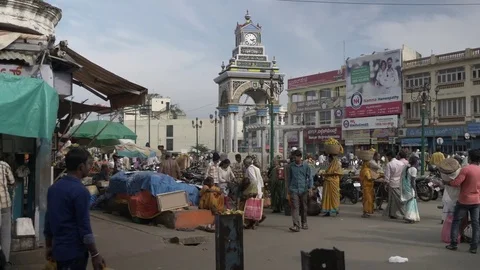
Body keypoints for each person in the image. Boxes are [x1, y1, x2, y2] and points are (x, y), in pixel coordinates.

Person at [44, 148, 105, 270]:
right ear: (81, 167)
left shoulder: (53, 188)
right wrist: (95, 254)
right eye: (89, 164)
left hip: (58, 251)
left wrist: (49, 246)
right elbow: (84, 227)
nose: (90, 167)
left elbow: (48, 220)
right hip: (74, 252)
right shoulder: (81, 191)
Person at [446, 149, 480, 254]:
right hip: (476, 201)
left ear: (469, 158)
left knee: (456, 221)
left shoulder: (466, 169)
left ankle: (453, 244)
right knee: (476, 224)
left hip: (464, 201)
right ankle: (474, 247)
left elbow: (456, 183)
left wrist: (447, 182)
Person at [287, 150, 312, 232]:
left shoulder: (306, 166)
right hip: (294, 189)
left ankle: (304, 222)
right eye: (294, 157)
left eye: (296, 157)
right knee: (295, 207)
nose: (295, 159)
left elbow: (310, 177)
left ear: (300, 157)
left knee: (304, 207)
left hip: (303, 189)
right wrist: (288, 190)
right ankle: (296, 225)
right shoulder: (291, 166)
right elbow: (289, 179)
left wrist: (310, 188)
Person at [0, 154, 15, 267]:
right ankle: (4, 262)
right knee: (5, 234)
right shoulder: (3, 165)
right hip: (4, 204)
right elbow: (12, 181)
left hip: (5, 205)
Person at [383, 151, 407, 219]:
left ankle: (405, 214)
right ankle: (392, 213)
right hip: (399, 182)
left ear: (389, 156)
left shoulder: (389, 164)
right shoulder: (401, 163)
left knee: (398, 200)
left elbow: (387, 176)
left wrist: (386, 184)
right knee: (393, 199)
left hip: (392, 183)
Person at [401, 156, 421, 224]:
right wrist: (415, 191)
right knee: (411, 202)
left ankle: (408, 216)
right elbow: (413, 182)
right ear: (415, 162)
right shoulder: (414, 169)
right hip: (410, 188)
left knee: (408, 202)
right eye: (418, 162)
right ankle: (409, 217)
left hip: (405, 188)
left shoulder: (406, 168)